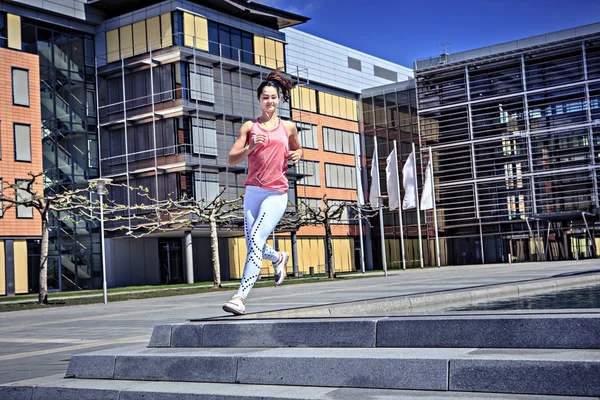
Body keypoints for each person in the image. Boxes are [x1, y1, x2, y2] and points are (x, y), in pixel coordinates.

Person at [222, 68, 302, 315]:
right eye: (265, 97)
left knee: (255, 241)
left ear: (279, 99)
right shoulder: (249, 127)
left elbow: (297, 150)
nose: (270, 101)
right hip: (253, 192)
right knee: (252, 243)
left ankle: (240, 297)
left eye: (273, 97)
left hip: (276, 193)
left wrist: (299, 154)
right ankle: (278, 258)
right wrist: (249, 148)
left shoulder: (288, 127)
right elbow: (232, 159)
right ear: (259, 100)